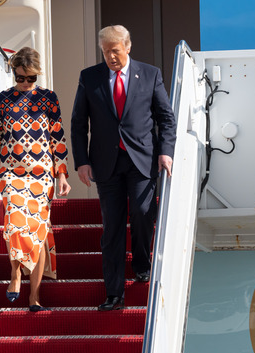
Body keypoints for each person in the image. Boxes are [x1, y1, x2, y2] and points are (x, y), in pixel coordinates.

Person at [71, 25, 176, 311]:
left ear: (127, 47)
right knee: (113, 228)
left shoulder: (150, 74)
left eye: (115, 50)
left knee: (143, 213)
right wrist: (81, 161)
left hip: (142, 158)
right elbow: (79, 123)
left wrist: (166, 153)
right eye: (106, 52)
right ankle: (114, 294)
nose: (111, 57)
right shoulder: (89, 78)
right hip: (106, 163)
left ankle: (142, 263)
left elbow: (166, 118)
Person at [0, 47, 71, 312]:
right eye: (20, 77)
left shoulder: (49, 99)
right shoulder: (1, 100)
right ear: (14, 73)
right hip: (12, 173)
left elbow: (57, 139)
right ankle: (15, 274)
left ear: (37, 75)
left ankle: (34, 298)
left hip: (42, 174)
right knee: (15, 223)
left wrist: (61, 173)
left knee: (37, 232)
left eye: (31, 78)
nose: (25, 83)